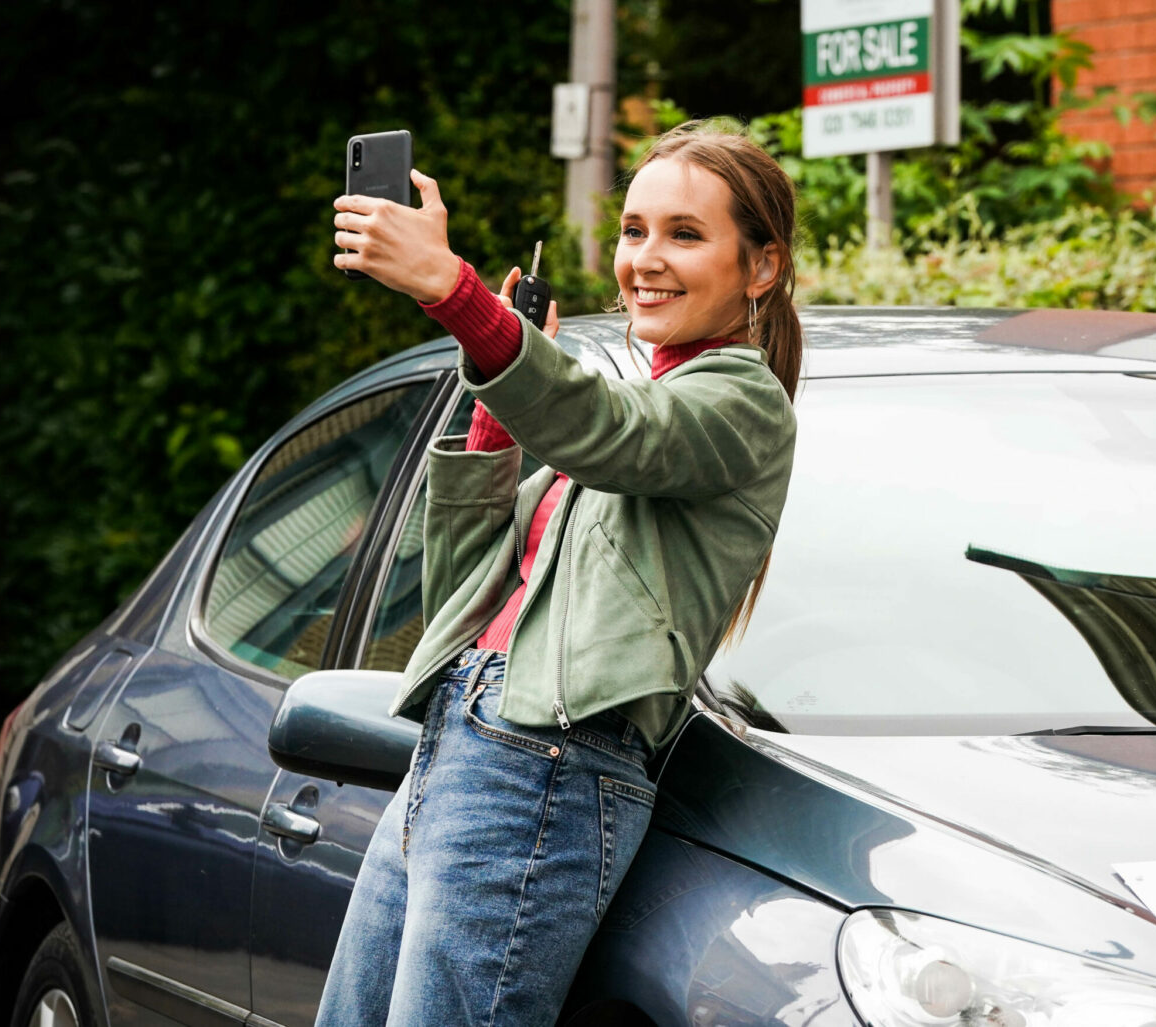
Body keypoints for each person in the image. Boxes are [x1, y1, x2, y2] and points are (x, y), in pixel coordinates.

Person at [316, 122, 802, 1025]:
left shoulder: (742, 405)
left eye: (685, 235)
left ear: (762, 266)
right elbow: (459, 596)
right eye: (633, 231)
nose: (646, 260)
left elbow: (613, 434)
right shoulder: (622, 413)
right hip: (458, 744)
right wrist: (499, 418)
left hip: (544, 767)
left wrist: (457, 297)